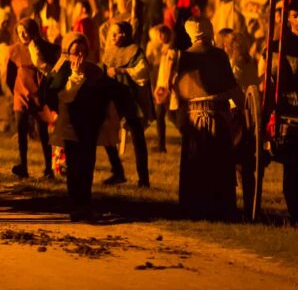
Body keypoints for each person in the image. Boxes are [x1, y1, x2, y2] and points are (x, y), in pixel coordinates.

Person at [156, 16, 242, 221]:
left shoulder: (181, 57)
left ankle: (195, 207)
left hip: (193, 118)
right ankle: (219, 208)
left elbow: (167, 93)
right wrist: (243, 106)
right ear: (209, 31)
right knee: (217, 162)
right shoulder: (219, 56)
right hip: (216, 117)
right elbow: (232, 89)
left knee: (196, 162)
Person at [45, 32, 132, 222]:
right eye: (76, 52)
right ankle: (76, 204)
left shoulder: (93, 70)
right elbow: (53, 92)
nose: (80, 57)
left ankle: (84, 204)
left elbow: (115, 90)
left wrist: (113, 113)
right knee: (74, 165)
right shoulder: (62, 68)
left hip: (89, 126)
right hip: (69, 125)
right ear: (69, 52)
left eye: (84, 52)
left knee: (87, 165)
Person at [101, 21, 152, 188]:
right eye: (113, 33)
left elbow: (143, 72)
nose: (115, 36)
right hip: (111, 96)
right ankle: (118, 172)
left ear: (125, 34)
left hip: (129, 97)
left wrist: (123, 71)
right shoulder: (108, 52)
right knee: (106, 133)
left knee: (137, 136)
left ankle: (143, 179)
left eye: (118, 33)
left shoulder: (134, 51)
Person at [13, 19, 52, 179]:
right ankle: (23, 166)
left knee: (43, 132)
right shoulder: (15, 50)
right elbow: (9, 73)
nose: (22, 35)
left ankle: (48, 168)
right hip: (21, 95)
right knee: (21, 131)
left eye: (25, 31)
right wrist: (15, 90)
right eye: (20, 31)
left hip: (39, 94)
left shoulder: (41, 48)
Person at [277, 0, 298, 226]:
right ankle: (296, 213)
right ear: (288, 19)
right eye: (295, 16)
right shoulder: (281, 45)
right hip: (290, 115)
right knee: (292, 166)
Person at [145, 24, 173, 153]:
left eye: (164, 34)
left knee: (172, 116)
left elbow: (168, 71)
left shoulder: (171, 51)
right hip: (159, 85)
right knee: (160, 115)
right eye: (160, 34)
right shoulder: (159, 49)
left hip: (167, 87)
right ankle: (161, 145)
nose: (162, 37)